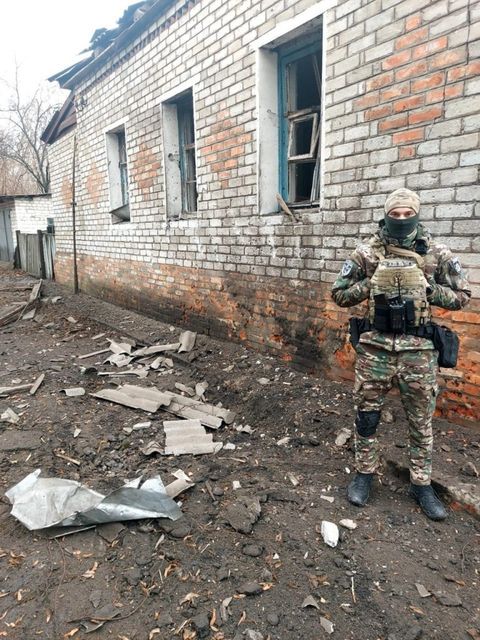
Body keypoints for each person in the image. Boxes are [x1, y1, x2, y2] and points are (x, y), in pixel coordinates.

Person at [331, 188, 471, 520]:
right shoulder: (366, 252)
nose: (402, 219)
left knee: (420, 421)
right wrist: (371, 283)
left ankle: (421, 484)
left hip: (418, 353)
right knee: (367, 417)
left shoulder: (436, 253)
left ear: (417, 215)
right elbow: (339, 294)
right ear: (386, 215)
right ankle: (364, 474)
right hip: (375, 351)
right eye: (395, 214)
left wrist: (428, 288)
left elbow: (463, 295)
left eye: (408, 214)